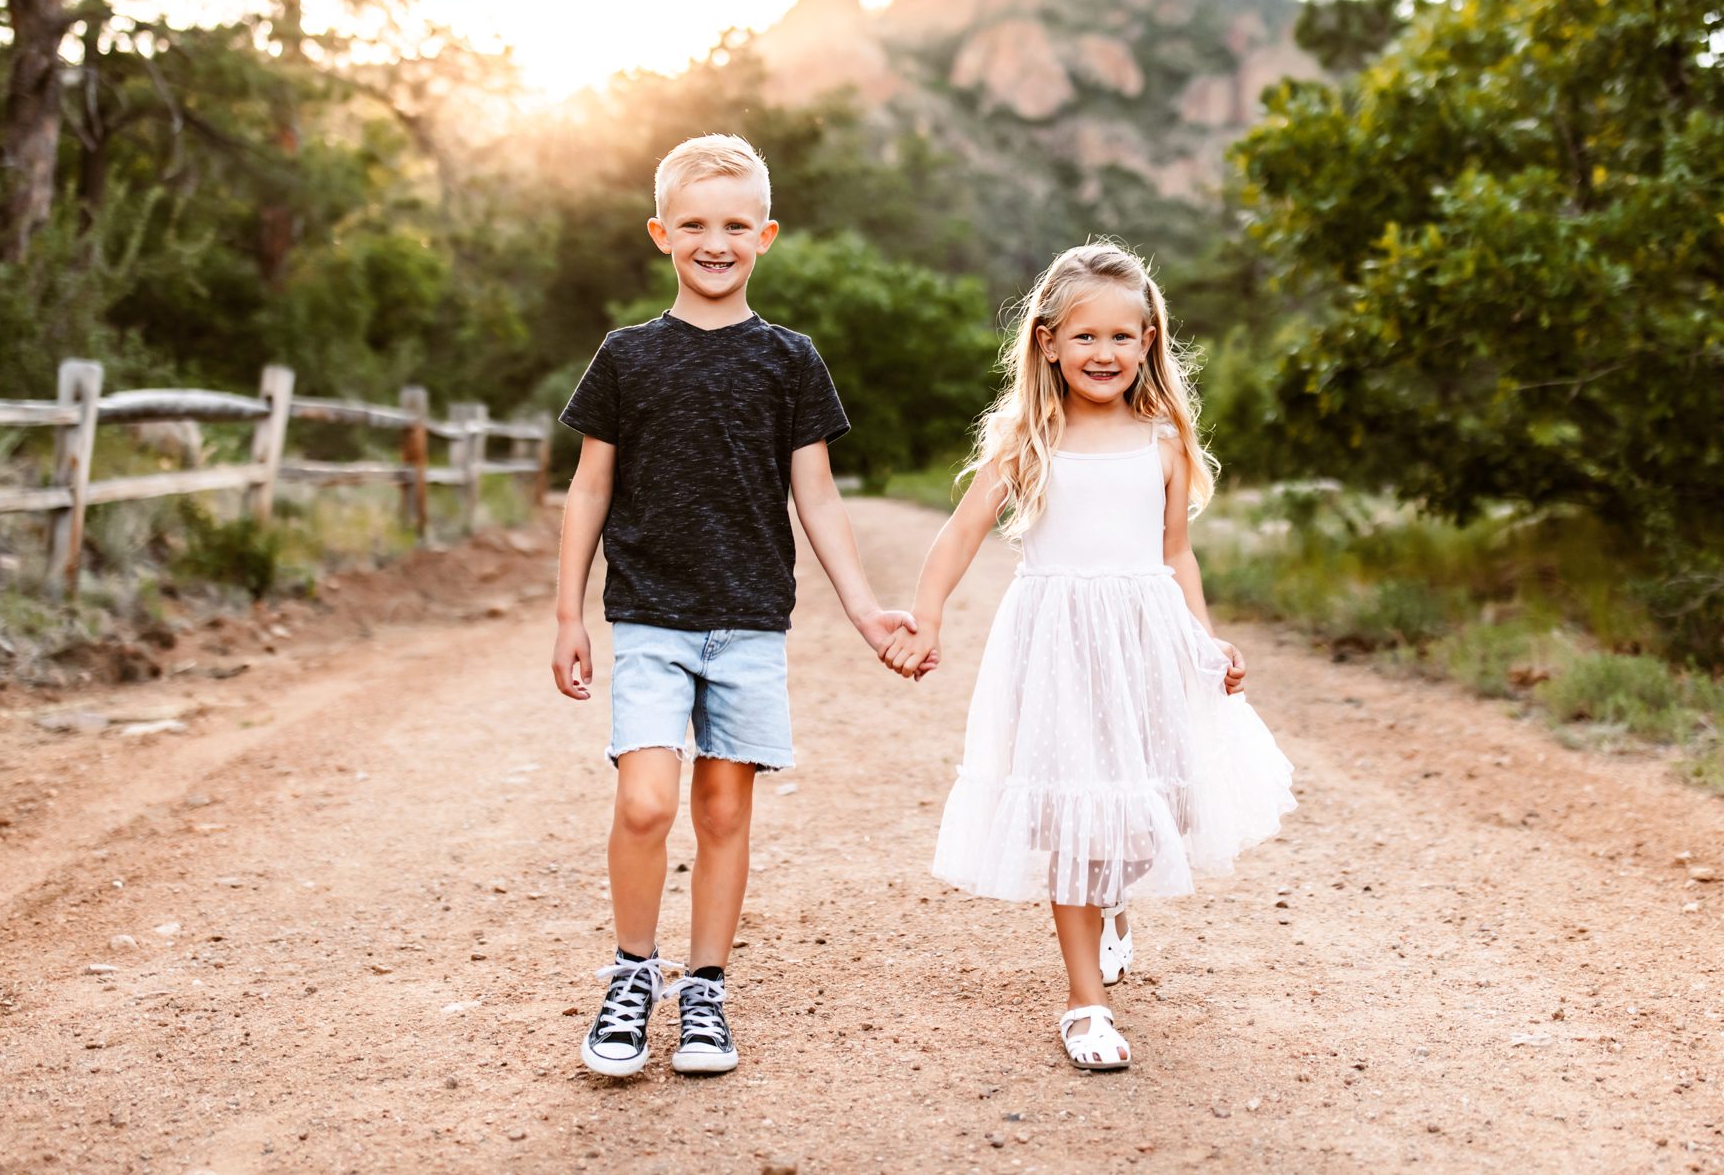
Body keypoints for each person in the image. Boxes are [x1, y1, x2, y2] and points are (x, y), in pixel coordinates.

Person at [551, 133, 917, 1078]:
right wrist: (567, 615)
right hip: (650, 616)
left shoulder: (790, 360)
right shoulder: (627, 357)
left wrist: (867, 611)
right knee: (645, 803)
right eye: (696, 225)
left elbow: (819, 498)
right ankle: (634, 974)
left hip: (751, 621)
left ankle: (704, 990)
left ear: (766, 235)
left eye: (736, 225)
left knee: (721, 812)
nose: (716, 242)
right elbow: (589, 489)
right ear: (661, 232)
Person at [881, 241, 1294, 1071]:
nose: (1103, 354)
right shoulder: (1028, 440)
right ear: (1047, 342)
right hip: (1058, 640)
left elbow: (1177, 554)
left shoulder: (1163, 441)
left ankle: (1113, 900)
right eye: (1084, 338)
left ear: (1148, 343)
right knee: (1072, 814)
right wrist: (925, 619)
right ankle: (1085, 1007)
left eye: (1121, 337)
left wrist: (1203, 642)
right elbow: (961, 534)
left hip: (1145, 637)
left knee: (1151, 814)